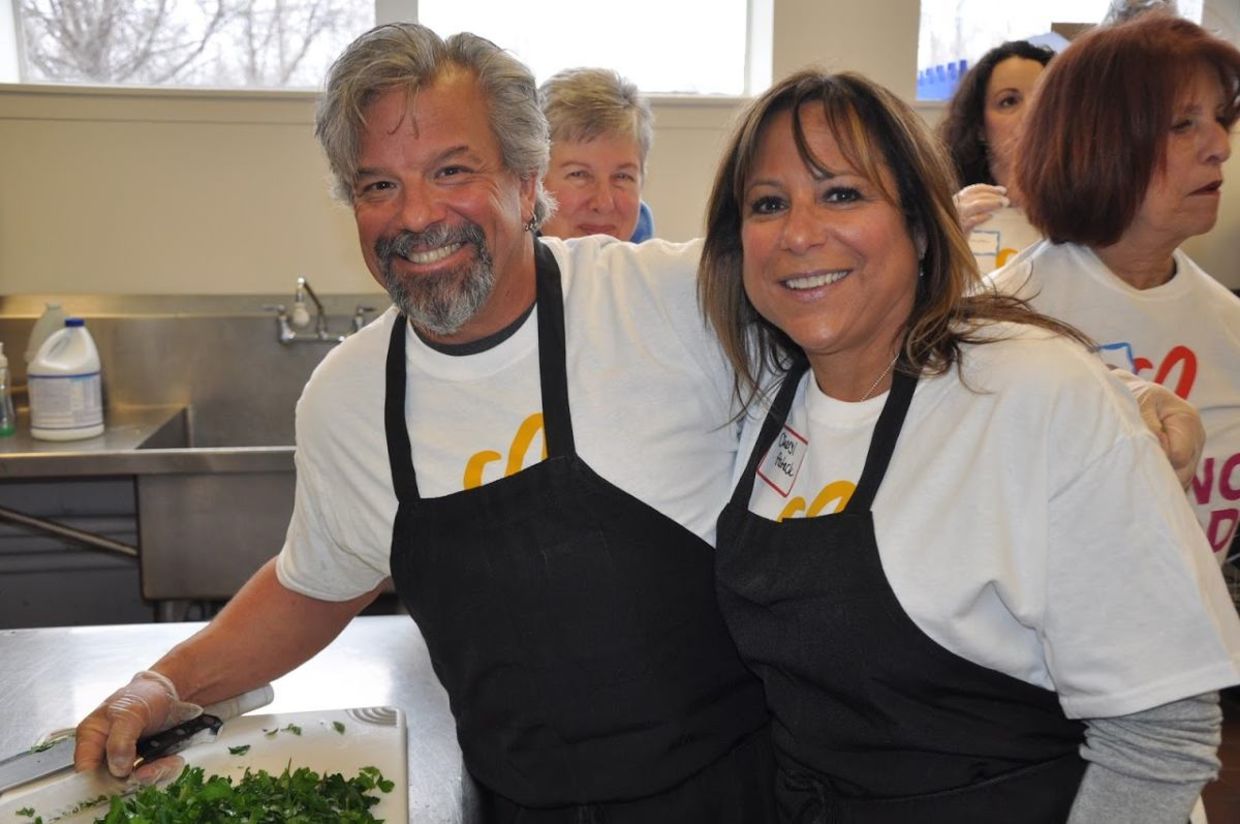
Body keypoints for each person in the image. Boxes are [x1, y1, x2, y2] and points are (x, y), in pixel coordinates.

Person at [72, 23, 774, 823]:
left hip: (737, 797)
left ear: (524, 181)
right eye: (378, 187)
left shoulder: (673, 302)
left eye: (451, 171)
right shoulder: (351, 395)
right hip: (519, 807)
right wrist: (163, 686)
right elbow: (314, 585)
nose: (417, 215)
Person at [698, 68, 1240, 823]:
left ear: (921, 226)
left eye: (843, 193)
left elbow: (1163, 733)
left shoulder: (1032, 394)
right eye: (767, 204)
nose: (798, 233)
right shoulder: (759, 404)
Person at [1000, 13, 1240, 563]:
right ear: (1097, 143)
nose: (1219, 147)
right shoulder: (1002, 319)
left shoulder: (1230, 325)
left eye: (1220, 119)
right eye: (1183, 124)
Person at [937, 40, 1054, 273]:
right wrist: (943, 239)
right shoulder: (946, 211)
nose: (1032, 114)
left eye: (1044, 97)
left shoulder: (1090, 217)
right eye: (1009, 101)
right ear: (979, 126)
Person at [538, 67, 656, 242]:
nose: (604, 204)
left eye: (622, 177)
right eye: (579, 175)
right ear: (530, 184)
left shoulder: (646, 256)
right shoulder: (493, 260)